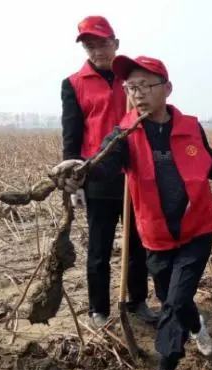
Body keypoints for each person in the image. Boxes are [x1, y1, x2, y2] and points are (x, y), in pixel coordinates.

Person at [51, 55, 212, 370]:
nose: (137, 94)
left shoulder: (191, 127)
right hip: (155, 234)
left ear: (167, 88)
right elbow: (104, 167)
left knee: (174, 300)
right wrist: (81, 170)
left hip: (197, 228)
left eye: (145, 86)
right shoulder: (122, 135)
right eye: (131, 87)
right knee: (173, 296)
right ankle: (198, 329)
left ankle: (165, 367)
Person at [61, 15, 156, 329]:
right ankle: (98, 310)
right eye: (90, 45)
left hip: (135, 172)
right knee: (99, 248)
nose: (97, 50)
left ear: (115, 43)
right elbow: (72, 135)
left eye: (102, 43)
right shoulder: (74, 84)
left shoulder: (131, 79)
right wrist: (73, 180)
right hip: (99, 176)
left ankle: (138, 301)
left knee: (138, 245)